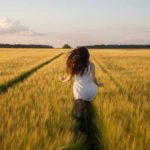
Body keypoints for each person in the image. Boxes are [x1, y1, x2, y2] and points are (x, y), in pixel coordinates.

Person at [60, 47, 103, 118]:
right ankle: (86, 119)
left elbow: (70, 77)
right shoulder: (91, 65)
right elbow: (93, 78)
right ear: (87, 55)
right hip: (91, 91)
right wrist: (98, 84)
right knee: (86, 106)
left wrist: (63, 80)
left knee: (79, 109)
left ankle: (79, 117)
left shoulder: (75, 65)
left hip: (80, 91)